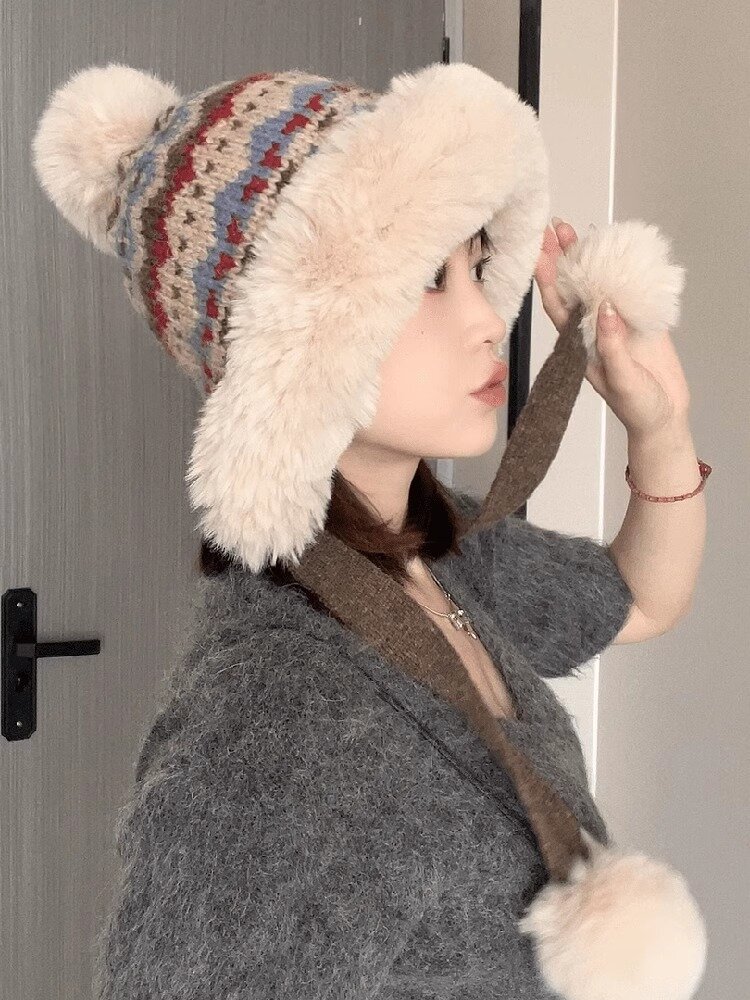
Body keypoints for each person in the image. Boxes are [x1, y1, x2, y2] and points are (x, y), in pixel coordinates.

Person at [32, 60, 709, 1000]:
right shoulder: (271, 727)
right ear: (300, 341)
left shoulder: (440, 548)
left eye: (476, 264)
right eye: (428, 279)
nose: (488, 320)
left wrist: (660, 426)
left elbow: (640, 600)